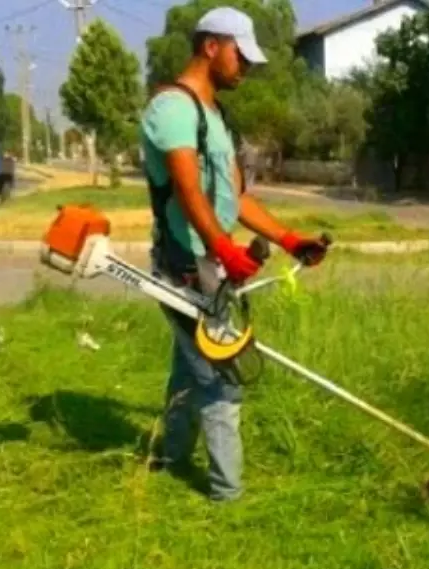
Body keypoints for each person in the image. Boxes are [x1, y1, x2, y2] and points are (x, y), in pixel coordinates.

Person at [139, 6, 329, 502]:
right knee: (222, 376)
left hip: (212, 262)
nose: (246, 68)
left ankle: (167, 459)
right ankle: (229, 496)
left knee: (191, 366)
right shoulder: (172, 109)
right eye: (240, 57)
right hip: (185, 264)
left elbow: (234, 197)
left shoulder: (216, 116)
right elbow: (187, 191)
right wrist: (223, 247)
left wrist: (290, 240)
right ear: (211, 46)